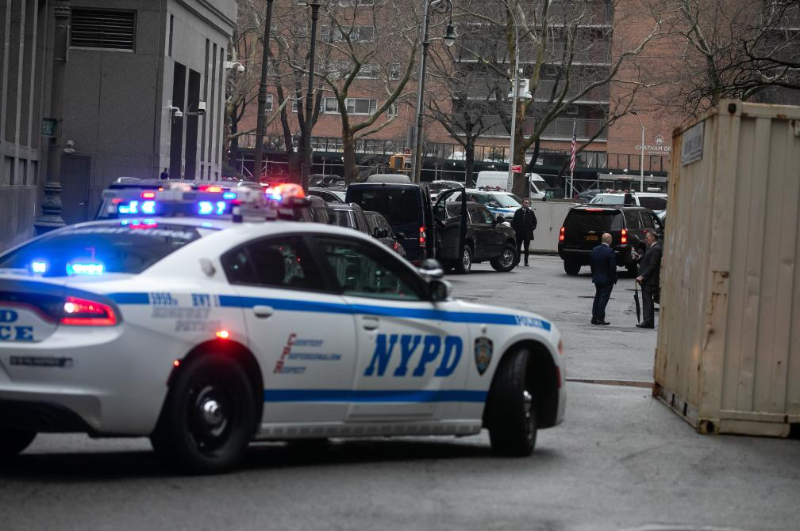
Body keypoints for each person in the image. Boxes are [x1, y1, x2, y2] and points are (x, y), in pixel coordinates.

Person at [636, 231, 662, 329]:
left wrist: (642, 276)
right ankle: (647, 321)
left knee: (647, 300)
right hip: (647, 279)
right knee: (646, 300)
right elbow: (648, 262)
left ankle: (648, 321)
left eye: (647, 237)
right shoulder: (651, 248)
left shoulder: (656, 249)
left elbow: (652, 265)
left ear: (653, 238)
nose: (646, 239)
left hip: (649, 280)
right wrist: (640, 258)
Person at [590, 232, 617, 325]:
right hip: (607, 278)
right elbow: (612, 267)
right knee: (603, 298)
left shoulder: (595, 249)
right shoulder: (610, 251)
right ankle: (600, 318)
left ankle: (594, 317)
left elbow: (592, 264)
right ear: (609, 240)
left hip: (597, 277)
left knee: (597, 296)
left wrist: (594, 274)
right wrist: (613, 278)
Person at [511, 198, 537, 266]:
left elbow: (534, 222)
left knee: (526, 248)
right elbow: (513, 222)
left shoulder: (531, 212)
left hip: (527, 233)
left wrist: (531, 229)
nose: (526, 204)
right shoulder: (518, 212)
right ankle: (517, 261)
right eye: (525, 203)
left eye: (527, 203)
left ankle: (526, 262)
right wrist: (516, 230)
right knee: (518, 248)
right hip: (519, 233)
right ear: (522, 203)